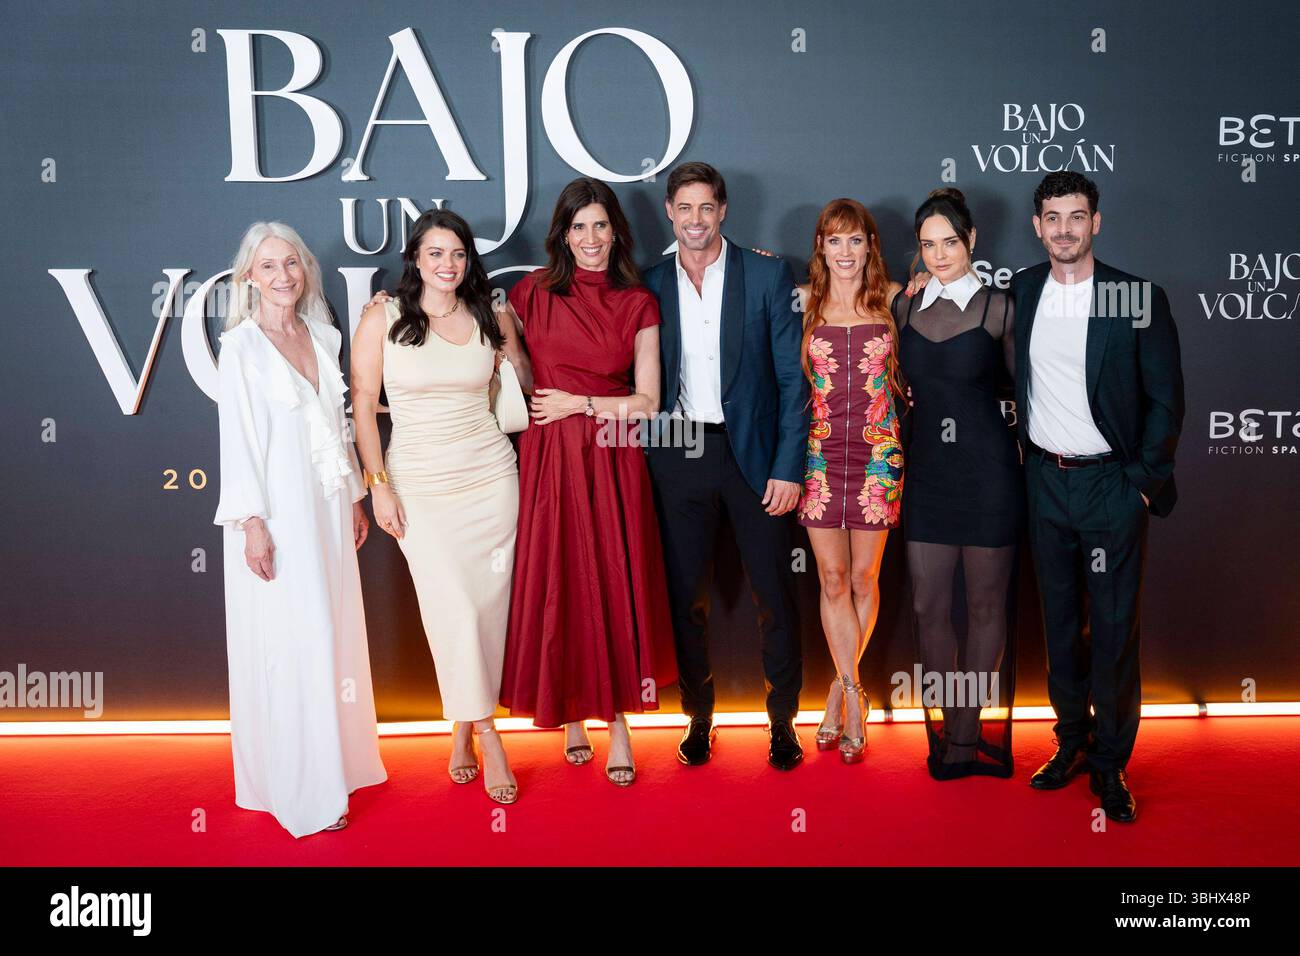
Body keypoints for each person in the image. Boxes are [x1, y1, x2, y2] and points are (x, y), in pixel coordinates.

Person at [1014, 171, 1183, 822]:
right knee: (1059, 627)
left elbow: (1167, 402)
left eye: (1076, 217)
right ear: (1038, 227)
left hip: (1111, 487)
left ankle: (1111, 767)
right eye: (1052, 218)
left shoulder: (1133, 297)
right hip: (1045, 484)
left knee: (1113, 632)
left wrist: (1139, 486)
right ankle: (1071, 745)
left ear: (1096, 222)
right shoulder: (1024, 290)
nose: (1064, 229)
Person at [498, 177, 677, 787]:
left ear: (616, 231)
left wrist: (580, 403)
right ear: (563, 234)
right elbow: (521, 375)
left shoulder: (638, 302)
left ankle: (620, 722)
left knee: (613, 577)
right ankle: (571, 712)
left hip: (611, 452)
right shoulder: (529, 293)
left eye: (600, 226)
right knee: (562, 579)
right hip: (548, 455)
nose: (591, 239)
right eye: (579, 227)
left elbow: (649, 402)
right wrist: (501, 326)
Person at [213, 221, 386, 838]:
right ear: (248, 278)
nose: (283, 275)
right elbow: (237, 441)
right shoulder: (239, 348)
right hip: (278, 514)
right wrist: (252, 524)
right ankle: (302, 788)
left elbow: (336, 426)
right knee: (291, 644)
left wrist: (356, 498)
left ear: (304, 269)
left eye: (291, 263)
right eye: (268, 266)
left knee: (332, 633)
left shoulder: (324, 335)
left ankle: (341, 764)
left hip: (330, 506)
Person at [352, 209, 525, 805]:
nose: (447, 265)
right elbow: (362, 405)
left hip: (492, 479)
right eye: (435, 254)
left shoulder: (487, 312)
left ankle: (461, 726)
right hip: (420, 484)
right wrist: (377, 483)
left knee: (484, 610)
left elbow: (521, 382)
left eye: (457, 254)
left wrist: (508, 336)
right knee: (450, 608)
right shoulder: (383, 315)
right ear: (415, 259)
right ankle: (488, 734)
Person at [642, 162, 811, 771]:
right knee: (687, 598)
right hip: (679, 455)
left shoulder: (766, 275)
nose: (695, 220)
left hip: (756, 458)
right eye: (684, 209)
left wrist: (789, 466)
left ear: (723, 211)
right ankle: (698, 719)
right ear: (669, 211)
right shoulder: (649, 283)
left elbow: (794, 381)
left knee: (775, 595)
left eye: (706, 208)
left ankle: (784, 722)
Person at [893, 188, 1021, 781]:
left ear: (972, 241)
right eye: (928, 245)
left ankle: (966, 737)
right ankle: (945, 726)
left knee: (987, 604)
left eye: (950, 242)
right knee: (929, 606)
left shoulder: (1001, 307)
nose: (940, 254)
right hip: (927, 477)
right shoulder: (905, 309)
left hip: (990, 474)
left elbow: (1027, 395)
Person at [795, 198, 905, 764]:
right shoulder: (804, 305)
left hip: (878, 456)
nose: (845, 252)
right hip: (818, 457)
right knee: (832, 578)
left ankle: (841, 688)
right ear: (820, 247)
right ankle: (855, 695)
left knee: (865, 577)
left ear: (869, 246)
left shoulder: (894, 301)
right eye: (834, 240)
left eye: (855, 240)